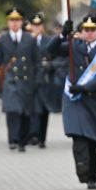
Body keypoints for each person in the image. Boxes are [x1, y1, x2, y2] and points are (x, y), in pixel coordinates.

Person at [47, 13, 96, 189]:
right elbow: (50, 50)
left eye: (92, 30)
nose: (89, 33)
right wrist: (62, 34)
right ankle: (81, 166)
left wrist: (85, 87)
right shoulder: (73, 45)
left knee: (93, 140)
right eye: (86, 29)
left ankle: (92, 175)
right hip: (74, 99)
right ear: (82, 31)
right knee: (77, 134)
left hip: (94, 98)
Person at [0, 8, 40, 151]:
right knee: (12, 110)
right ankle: (13, 139)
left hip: (26, 80)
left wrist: (36, 80)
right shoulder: (2, 39)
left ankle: (22, 141)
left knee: (25, 112)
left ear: (21, 22)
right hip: (10, 80)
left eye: (17, 20)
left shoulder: (30, 39)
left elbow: (36, 61)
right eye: (11, 20)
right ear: (8, 22)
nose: (14, 23)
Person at [29, 12, 56, 148]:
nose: (36, 27)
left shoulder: (48, 40)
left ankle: (42, 138)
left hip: (45, 79)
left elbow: (55, 58)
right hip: (31, 78)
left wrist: (49, 65)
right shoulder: (27, 40)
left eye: (39, 25)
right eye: (34, 25)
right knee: (33, 109)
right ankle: (33, 134)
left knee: (44, 110)